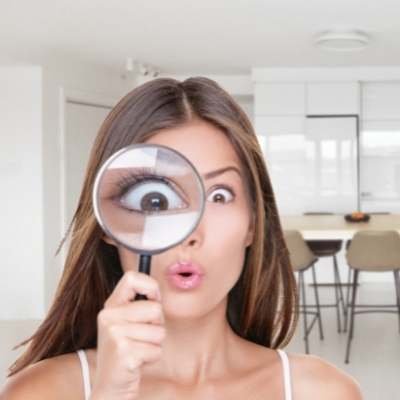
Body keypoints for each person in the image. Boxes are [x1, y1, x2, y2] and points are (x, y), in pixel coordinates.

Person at [1, 77, 362, 399]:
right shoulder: (39, 392)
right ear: (108, 226)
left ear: (253, 223)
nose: (190, 234)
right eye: (154, 199)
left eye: (220, 195)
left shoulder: (323, 391)